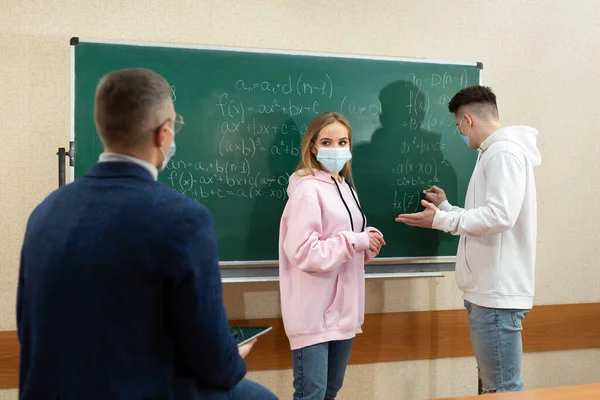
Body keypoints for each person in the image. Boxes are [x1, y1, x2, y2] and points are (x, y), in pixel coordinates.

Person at [17, 68, 277, 400]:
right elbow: (212, 358)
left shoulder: (44, 212)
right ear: (163, 135)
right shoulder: (183, 219)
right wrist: (231, 360)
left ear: (102, 128)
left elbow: (28, 328)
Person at [395, 85, 542, 394]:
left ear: (467, 120)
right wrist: (447, 208)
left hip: (496, 293)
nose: (459, 134)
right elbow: (488, 215)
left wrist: (440, 219)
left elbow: (500, 216)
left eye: (457, 126)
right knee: (494, 387)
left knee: (502, 388)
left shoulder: (503, 153)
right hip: (489, 291)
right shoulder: (494, 152)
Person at [278, 111, 385, 400]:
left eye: (342, 141)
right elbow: (304, 251)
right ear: (313, 146)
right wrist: (355, 240)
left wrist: (367, 243)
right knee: (311, 393)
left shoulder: (347, 189)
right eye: (327, 141)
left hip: (344, 312)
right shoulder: (307, 190)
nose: (336, 149)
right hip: (313, 312)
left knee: (330, 392)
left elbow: (344, 245)